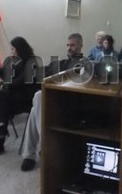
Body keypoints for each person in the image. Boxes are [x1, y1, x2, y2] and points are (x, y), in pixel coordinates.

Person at [20, 33, 84, 171]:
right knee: (36, 106)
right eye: (68, 45)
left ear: (80, 45)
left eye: (73, 45)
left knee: (37, 99)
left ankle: (33, 153)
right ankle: (35, 152)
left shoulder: (85, 64)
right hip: (54, 102)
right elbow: (42, 72)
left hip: (70, 105)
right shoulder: (61, 63)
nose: (69, 48)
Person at [0, 37, 40, 157]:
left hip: (27, 98)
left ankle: (1, 138)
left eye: (12, 49)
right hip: (14, 95)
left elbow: (19, 82)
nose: (11, 51)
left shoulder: (31, 63)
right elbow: (6, 72)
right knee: (2, 97)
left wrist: (4, 83)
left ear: (19, 49)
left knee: (2, 98)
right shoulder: (15, 61)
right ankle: (1, 136)